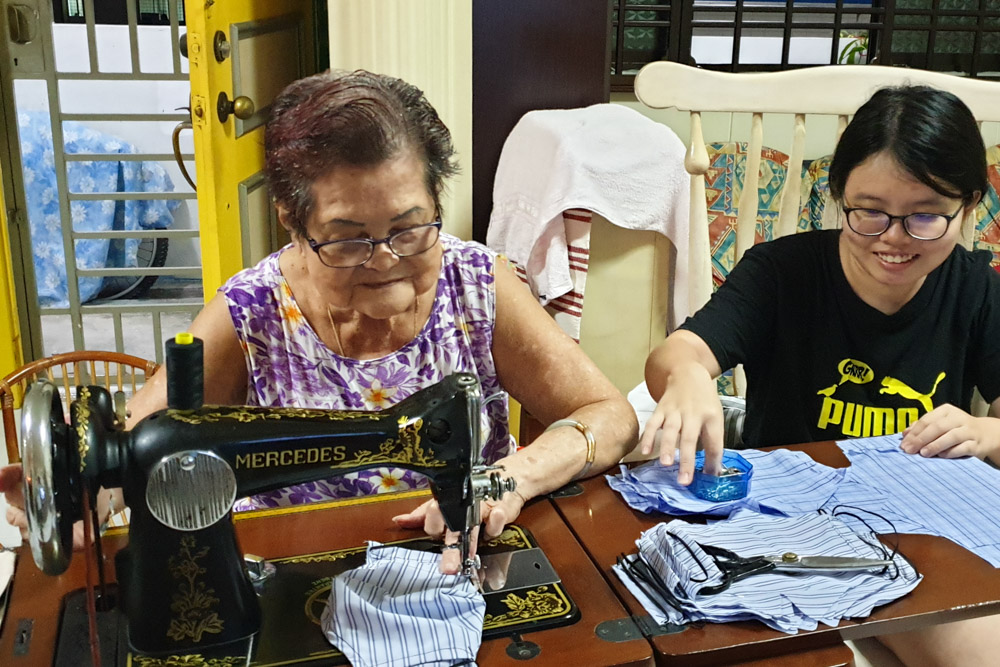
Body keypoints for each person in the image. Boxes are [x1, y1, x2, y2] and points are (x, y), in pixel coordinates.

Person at [2, 69, 637, 574]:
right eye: (348, 237)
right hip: (301, 568)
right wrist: (87, 493)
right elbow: (137, 446)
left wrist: (512, 478)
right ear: (292, 220)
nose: (385, 259)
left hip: (458, 560)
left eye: (410, 228)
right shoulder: (251, 314)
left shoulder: (476, 284)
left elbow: (610, 415)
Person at [640, 85, 1000, 665]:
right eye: (870, 211)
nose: (893, 237)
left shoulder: (975, 288)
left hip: (925, 526)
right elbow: (677, 355)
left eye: (926, 216)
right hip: (793, 528)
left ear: (970, 205)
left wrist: (988, 433)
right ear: (838, 195)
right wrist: (687, 376)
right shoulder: (782, 273)